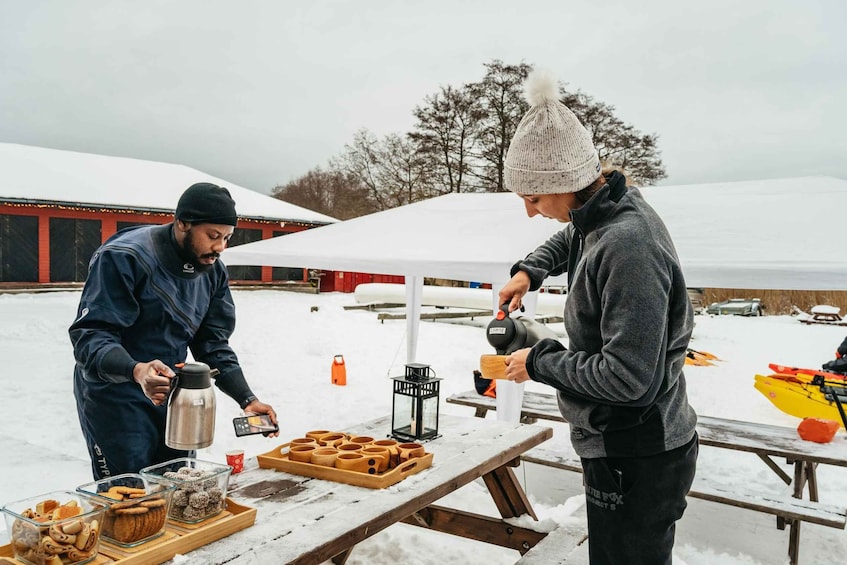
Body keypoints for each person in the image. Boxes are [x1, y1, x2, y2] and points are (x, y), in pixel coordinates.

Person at [498, 70, 698, 565]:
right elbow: (574, 236)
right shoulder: (603, 210)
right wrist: (531, 270)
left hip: (641, 451)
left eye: (534, 199)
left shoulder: (630, 246)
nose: (529, 212)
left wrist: (538, 363)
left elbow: (629, 378)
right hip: (621, 443)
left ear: (565, 184)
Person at [69, 182, 279, 480]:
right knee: (130, 494)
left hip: (172, 393)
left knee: (177, 482)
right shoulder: (123, 257)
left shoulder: (213, 272)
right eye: (213, 236)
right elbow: (91, 336)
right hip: (115, 392)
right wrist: (137, 370)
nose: (220, 247)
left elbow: (212, 344)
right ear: (182, 223)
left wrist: (246, 398)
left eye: (227, 238)